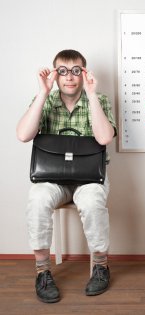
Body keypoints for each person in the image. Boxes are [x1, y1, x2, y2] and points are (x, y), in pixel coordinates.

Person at [16, 49, 117, 303]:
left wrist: (92, 95)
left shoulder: (100, 99)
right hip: (52, 179)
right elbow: (23, 134)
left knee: (93, 201)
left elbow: (104, 138)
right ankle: (42, 271)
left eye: (75, 71)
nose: (69, 77)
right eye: (62, 71)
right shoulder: (46, 100)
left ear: (84, 73)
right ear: (55, 74)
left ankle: (101, 267)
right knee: (37, 199)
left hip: (90, 179)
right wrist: (42, 93)